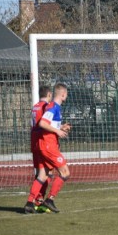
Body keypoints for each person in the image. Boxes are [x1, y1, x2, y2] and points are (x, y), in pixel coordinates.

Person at [24, 83, 71, 213]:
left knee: (43, 175)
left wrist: (60, 128)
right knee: (65, 172)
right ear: (62, 94)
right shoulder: (52, 107)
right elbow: (43, 123)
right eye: (66, 93)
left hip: (41, 144)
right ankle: (49, 200)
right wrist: (58, 132)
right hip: (48, 145)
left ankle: (30, 202)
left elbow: (45, 124)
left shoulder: (43, 107)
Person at [29, 85, 54, 210]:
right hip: (42, 142)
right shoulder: (45, 107)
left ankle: (37, 200)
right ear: (49, 94)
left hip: (34, 142)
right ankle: (37, 200)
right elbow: (44, 124)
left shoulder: (35, 106)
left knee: (41, 173)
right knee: (46, 173)